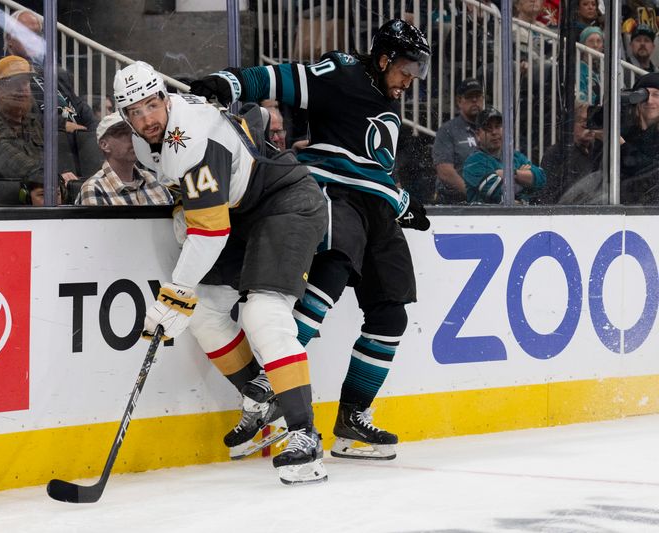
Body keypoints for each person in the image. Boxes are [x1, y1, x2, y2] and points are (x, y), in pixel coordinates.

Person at [190, 18, 432, 461]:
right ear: (382, 58)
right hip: (336, 199)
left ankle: (351, 418)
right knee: (330, 275)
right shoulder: (342, 74)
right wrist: (228, 83)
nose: (409, 80)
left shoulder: (388, 98)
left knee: (390, 315)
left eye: (415, 72)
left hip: (378, 211)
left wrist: (399, 199)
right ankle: (269, 384)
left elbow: (372, 165)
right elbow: (281, 77)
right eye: (404, 69)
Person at [114, 61, 329, 485]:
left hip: (286, 201)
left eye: (151, 105)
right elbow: (254, 117)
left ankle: (305, 436)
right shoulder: (149, 140)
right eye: (134, 112)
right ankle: (260, 399)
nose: (146, 119)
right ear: (125, 117)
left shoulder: (188, 137)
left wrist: (175, 293)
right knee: (205, 314)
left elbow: (210, 234)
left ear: (163, 96)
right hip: (243, 213)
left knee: (262, 313)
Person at [4, 9, 95, 133]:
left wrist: (97, 128)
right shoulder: (2, 75)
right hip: (50, 142)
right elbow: (14, 116)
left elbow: (80, 106)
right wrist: (62, 125)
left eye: (37, 34)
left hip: (80, 138)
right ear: (9, 39)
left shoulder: (56, 74)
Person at [0, 55, 44, 202]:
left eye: (25, 82)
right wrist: (50, 175)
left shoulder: (33, 123)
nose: (22, 89)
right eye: (15, 82)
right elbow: (10, 162)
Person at [75, 113, 174, 206]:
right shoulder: (94, 188)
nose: (135, 139)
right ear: (104, 145)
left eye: (136, 133)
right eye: (124, 134)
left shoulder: (153, 179)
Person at [463, 107, 546, 204]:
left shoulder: (515, 156)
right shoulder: (473, 162)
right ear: (477, 135)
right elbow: (495, 191)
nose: (494, 132)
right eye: (488, 128)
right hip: (486, 217)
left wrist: (511, 173)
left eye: (498, 127)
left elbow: (541, 179)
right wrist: (524, 180)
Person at [431, 78, 485, 204]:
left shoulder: (490, 130)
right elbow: (445, 171)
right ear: (459, 101)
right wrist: (473, 195)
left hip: (484, 200)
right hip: (452, 201)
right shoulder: (447, 130)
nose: (475, 100)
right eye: (470, 96)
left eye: (478, 96)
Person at [536, 101, 602, 204]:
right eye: (583, 121)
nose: (589, 126)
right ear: (570, 124)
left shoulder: (598, 152)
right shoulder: (557, 153)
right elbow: (549, 194)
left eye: (591, 121)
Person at [620, 72, 659, 203]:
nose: (649, 100)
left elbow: (649, 173)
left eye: (656, 95)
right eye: (643, 94)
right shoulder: (628, 131)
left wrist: (620, 145)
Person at [578, 26, 603, 105]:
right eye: (591, 41)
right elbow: (580, 97)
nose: (595, 45)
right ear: (583, 44)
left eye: (599, 41)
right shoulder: (578, 69)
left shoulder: (606, 68)